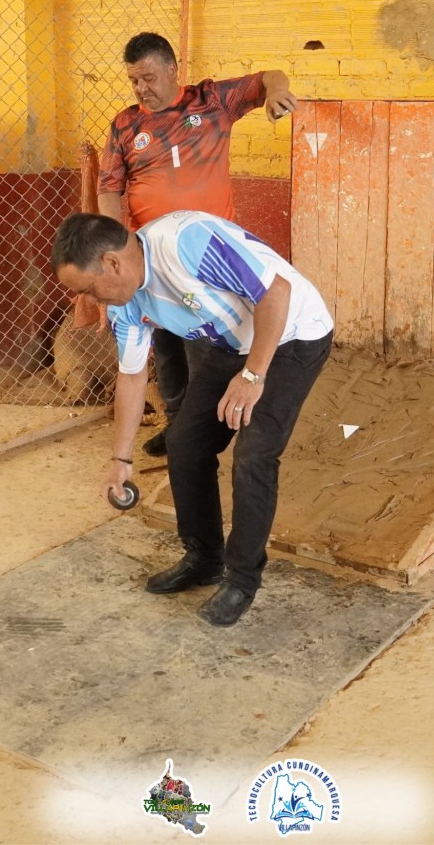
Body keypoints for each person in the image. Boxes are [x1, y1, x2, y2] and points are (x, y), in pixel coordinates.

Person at [51, 210, 333, 627]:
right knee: (185, 444)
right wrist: (120, 461)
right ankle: (204, 559)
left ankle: (242, 579)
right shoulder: (125, 302)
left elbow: (276, 292)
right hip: (226, 344)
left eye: (89, 289)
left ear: (111, 263)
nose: (92, 302)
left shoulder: (187, 244)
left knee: (254, 457)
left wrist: (253, 376)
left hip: (291, 336)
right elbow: (131, 376)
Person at [96, 31, 297, 457]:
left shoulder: (210, 102)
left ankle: (206, 430)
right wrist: (113, 248)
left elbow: (269, 78)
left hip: (205, 258)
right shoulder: (125, 125)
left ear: (172, 70)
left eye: (148, 77)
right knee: (166, 349)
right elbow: (109, 188)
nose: (140, 88)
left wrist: (278, 94)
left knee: (206, 350)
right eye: (133, 80)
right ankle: (176, 426)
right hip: (149, 260)